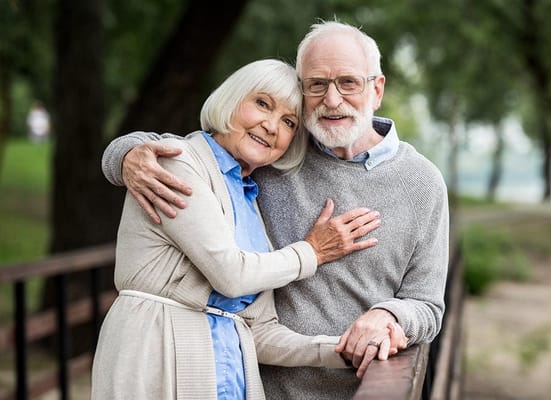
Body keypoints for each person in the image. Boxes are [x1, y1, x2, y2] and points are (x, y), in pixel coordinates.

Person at [102, 20, 449, 399]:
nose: (332, 100)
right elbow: (192, 150)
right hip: (254, 382)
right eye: (317, 84)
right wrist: (125, 154)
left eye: (348, 82)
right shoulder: (273, 160)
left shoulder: (423, 183)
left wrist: (390, 317)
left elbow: (427, 305)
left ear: (376, 88)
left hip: (359, 388)